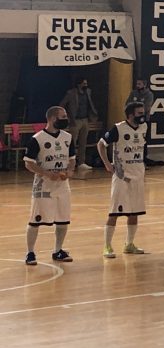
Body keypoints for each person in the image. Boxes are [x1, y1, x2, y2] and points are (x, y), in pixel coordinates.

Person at [23, 106, 76, 265]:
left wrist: (70, 169)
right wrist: (47, 174)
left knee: (63, 219)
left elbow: (72, 158)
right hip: (43, 186)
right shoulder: (37, 139)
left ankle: (58, 250)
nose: (66, 118)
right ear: (53, 118)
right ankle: (30, 253)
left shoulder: (67, 137)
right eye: (63, 116)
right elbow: (28, 163)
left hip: (62, 186)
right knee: (35, 220)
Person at [97, 102, 148, 258]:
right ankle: (107, 246)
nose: (142, 116)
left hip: (138, 175)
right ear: (131, 114)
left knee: (134, 212)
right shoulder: (118, 128)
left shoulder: (143, 128)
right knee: (114, 213)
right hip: (122, 177)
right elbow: (101, 144)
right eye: (139, 113)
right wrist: (107, 163)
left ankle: (129, 244)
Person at [60, 77, 99, 169]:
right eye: (84, 83)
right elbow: (62, 104)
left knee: (83, 142)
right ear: (79, 84)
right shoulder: (71, 93)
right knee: (72, 142)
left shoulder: (88, 92)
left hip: (85, 119)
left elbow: (90, 104)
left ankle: (81, 162)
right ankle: (68, 162)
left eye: (86, 83)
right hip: (75, 120)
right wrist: (67, 117)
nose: (86, 85)